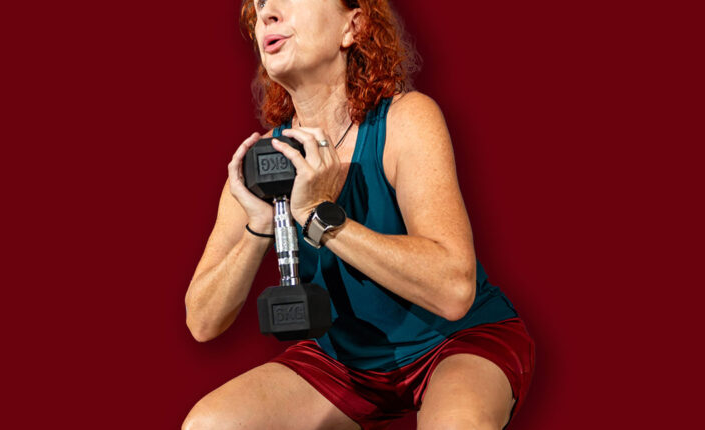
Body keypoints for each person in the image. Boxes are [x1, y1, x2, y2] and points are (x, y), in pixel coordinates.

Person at [183, 1, 535, 429]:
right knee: (211, 425)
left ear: (353, 25)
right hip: (343, 362)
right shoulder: (262, 162)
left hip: (452, 341)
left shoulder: (407, 120)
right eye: (258, 5)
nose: (267, 14)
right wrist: (258, 227)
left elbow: (454, 291)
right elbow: (201, 321)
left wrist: (319, 218)